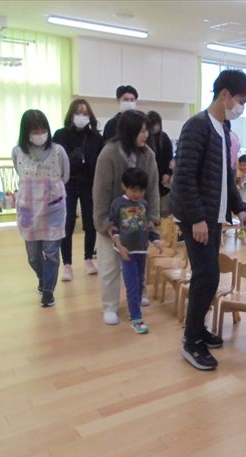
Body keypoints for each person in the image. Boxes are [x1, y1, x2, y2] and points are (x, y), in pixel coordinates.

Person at [170, 69, 246, 371]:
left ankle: (197, 330)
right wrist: (196, 219)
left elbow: (226, 178)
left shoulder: (224, 129)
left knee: (207, 277)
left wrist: (240, 208)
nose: (240, 107)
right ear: (224, 95)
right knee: (207, 277)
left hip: (214, 217)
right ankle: (191, 341)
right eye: (240, 101)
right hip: (198, 218)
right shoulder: (197, 126)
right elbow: (184, 177)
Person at [93, 110, 159, 326]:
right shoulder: (109, 154)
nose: (146, 134)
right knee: (109, 266)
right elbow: (100, 191)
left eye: (146, 130)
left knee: (138, 262)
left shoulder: (148, 155)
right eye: (141, 130)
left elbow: (153, 189)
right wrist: (104, 223)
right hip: (112, 222)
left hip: (137, 224)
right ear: (129, 131)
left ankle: (137, 295)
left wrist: (153, 218)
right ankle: (110, 306)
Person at [12, 110, 70, 307]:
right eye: (34, 130)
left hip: (53, 207)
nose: (39, 134)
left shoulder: (58, 151)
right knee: (33, 256)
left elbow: (65, 176)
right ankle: (43, 278)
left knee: (51, 253)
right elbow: (19, 172)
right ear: (26, 132)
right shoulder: (17, 152)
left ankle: (48, 291)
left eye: (43, 129)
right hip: (28, 209)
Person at [53, 99, 104, 281]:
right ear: (71, 114)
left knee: (90, 222)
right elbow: (56, 161)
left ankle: (89, 258)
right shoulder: (60, 135)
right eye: (78, 112)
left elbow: (99, 163)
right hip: (67, 184)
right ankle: (67, 264)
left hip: (89, 184)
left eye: (85, 113)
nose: (81, 116)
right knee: (67, 223)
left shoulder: (96, 138)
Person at [110, 167, 162, 334]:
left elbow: (148, 226)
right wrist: (119, 246)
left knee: (140, 283)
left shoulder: (143, 204)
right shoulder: (118, 204)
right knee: (132, 285)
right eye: (133, 190)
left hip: (142, 251)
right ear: (124, 187)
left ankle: (135, 308)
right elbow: (112, 227)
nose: (137, 194)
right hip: (127, 252)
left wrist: (156, 240)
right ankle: (136, 318)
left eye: (141, 190)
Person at [146, 111, 174, 218]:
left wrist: (168, 173)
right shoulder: (145, 139)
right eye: (152, 125)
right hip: (148, 181)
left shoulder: (164, 138)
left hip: (163, 183)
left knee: (164, 213)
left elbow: (170, 158)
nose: (154, 127)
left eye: (156, 124)